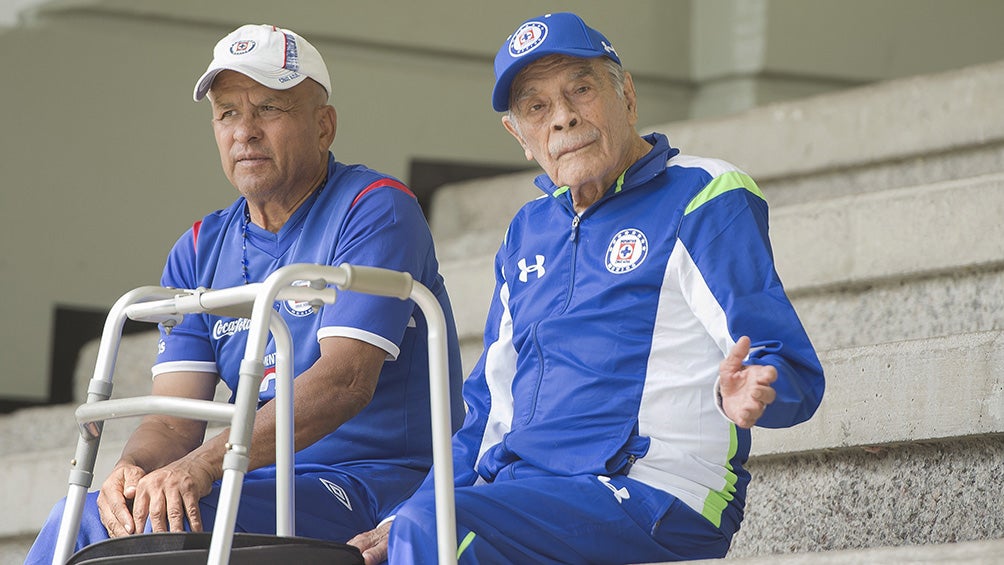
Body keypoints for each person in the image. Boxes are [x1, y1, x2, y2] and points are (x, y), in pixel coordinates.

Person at [349, 12, 825, 564]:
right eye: (537, 107)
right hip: (533, 493)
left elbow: (789, 365)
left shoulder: (703, 193)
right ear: (519, 135)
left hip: (657, 494)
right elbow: (486, 409)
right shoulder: (528, 231)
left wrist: (755, 390)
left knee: (441, 532)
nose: (563, 119)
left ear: (627, 97)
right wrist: (409, 513)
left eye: (581, 89)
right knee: (402, 533)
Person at [26, 23, 464, 563]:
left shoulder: (375, 207)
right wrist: (133, 469)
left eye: (270, 108)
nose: (245, 131)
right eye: (228, 112)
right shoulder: (199, 244)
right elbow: (171, 420)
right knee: (94, 511)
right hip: (257, 478)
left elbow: (345, 380)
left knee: (116, 523)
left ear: (324, 125)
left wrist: (208, 464)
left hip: (371, 486)